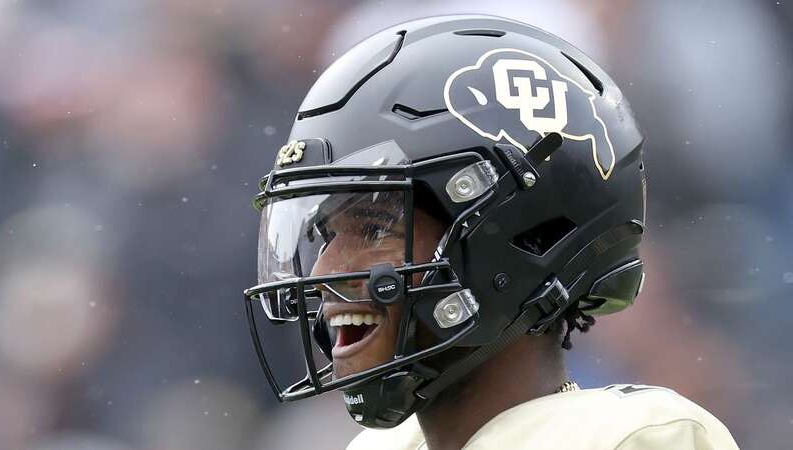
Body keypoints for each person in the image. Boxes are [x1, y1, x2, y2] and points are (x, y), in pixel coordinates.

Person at [243, 14, 740, 450]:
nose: (327, 270)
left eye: (373, 230)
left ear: (526, 237)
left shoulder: (630, 440)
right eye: (326, 236)